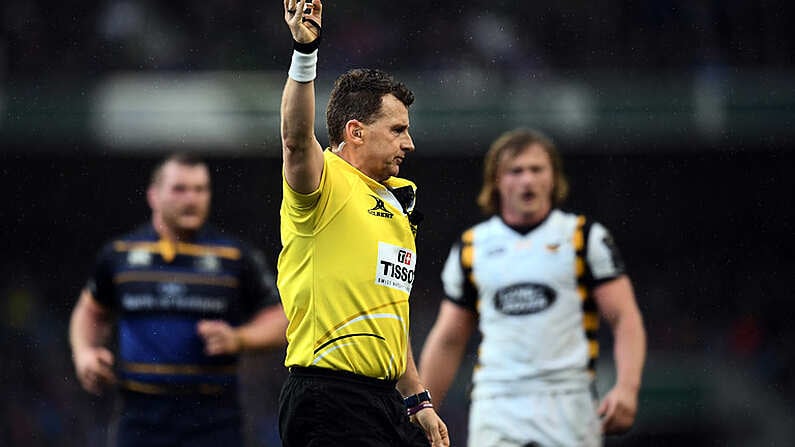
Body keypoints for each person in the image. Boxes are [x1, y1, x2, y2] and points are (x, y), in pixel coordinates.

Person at [276, 1, 449, 446]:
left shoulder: (397, 203)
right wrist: (304, 52)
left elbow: (390, 314)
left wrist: (419, 400)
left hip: (384, 402)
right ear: (355, 131)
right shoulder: (323, 181)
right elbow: (296, 140)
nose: (408, 143)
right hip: (327, 396)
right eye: (397, 130)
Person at [419, 128, 647, 447]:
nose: (527, 180)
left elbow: (625, 318)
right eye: (516, 171)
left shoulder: (584, 237)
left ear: (553, 178)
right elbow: (448, 339)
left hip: (568, 402)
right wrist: (424, 409)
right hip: (496, 402)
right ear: (496, 181)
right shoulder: (472, 247)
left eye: (537, 169)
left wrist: (628, 388)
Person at [69, 153, 288, 447]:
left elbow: (280, 318)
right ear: (153, 196)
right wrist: (84, 352)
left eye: (200, 189)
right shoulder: (119, 255)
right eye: (180, 189)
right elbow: (90, 311)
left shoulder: (234, 258)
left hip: (214, 419)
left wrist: (239, 338)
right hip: (140, 418)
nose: (192, 199)